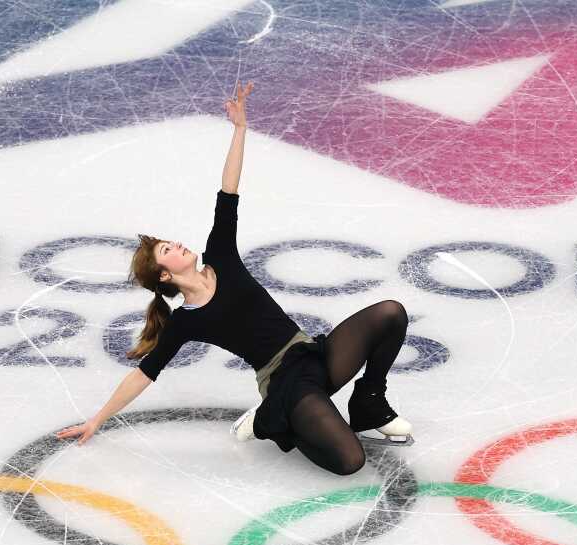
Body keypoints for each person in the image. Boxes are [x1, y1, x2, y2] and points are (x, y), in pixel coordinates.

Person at [57, 81, 412, 475]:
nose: (177, 244)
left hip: (312, 353)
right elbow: (144, 374)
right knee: (349, 461)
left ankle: (368, 402)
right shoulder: (185, 321)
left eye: (171, 241)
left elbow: (228, 190)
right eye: (167, 249)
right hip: (284, 381)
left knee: (390, 313)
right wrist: (98, 419)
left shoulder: (221, 255)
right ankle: (270, 419)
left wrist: (240, 128)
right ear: (165, 274)